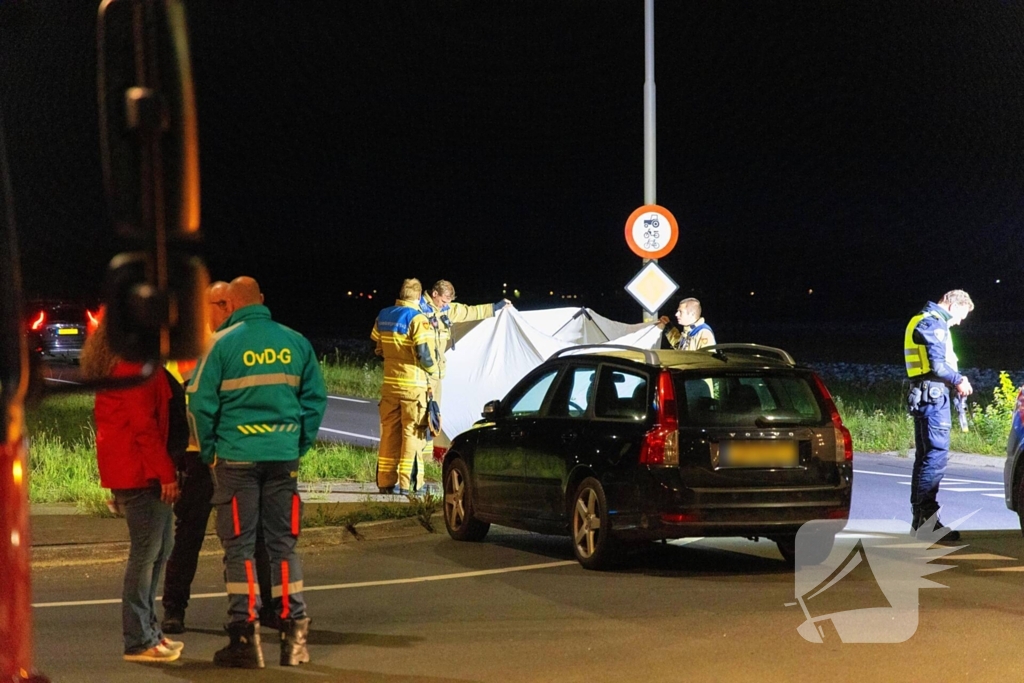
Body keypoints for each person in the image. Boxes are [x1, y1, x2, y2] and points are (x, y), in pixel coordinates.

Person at [188, 276, 327, 668]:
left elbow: (199, 404)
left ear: (229, 304)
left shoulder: (218, 344)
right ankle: (295, 636)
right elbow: (315, 399)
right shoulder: (295, 341)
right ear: (262, 300)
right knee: (284, 545)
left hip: (235, 461)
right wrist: (298, 443)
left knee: (240, 550)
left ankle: (244, 638)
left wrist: (210, 453)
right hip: (284, 459)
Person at [160, 281, 274, 635]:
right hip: (197, 457)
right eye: (218, 302)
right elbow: (173, 407)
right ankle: (174, 608)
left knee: (253, 537)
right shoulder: (190, 346)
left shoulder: (240, 343)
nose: (225, 309)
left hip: (236, 454)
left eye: (229, 302)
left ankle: (265, 607)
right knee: (188, 536)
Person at [80, 315, 183, 663]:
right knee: (146, 554)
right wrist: (166, 473)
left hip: (133, 472)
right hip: (141, 475)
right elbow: (143, 427)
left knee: (161, 547)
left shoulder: (125, 367)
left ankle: (150, 632)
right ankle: (139, 639)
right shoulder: (131, 368)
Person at [417, 279, 510, 480]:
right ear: (434, 294)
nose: (445, 305)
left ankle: (423, 463)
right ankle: (414, 463)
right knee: (418, 418)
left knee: (432, 417)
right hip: (420, 374)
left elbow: (469, 311)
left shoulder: (445, 310)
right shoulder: (419, 310)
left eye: (448, 302)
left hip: (436, 374)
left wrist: (495, 308)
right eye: (443, 300)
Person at [904, 289, 974, 543]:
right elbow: (938, 365)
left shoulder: (920, 319)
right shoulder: (934, 322)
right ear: (953, 304)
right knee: (934, 458)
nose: (959, 322)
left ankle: (920, 521)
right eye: (961, 316)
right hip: (933, 398)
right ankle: (927, 523)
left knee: (925, 458)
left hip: (925, 396)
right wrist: (959, 380)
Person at [372, 278, 438, 494]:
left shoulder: (383, 315)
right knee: (412, 434)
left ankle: (385, 481)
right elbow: (424, 355)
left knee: (389, 433)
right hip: (413, 389)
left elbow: (378, 347)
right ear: (418, 297)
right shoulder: (418, 319)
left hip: (389, 388)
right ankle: (409, 483)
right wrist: (433, 370)